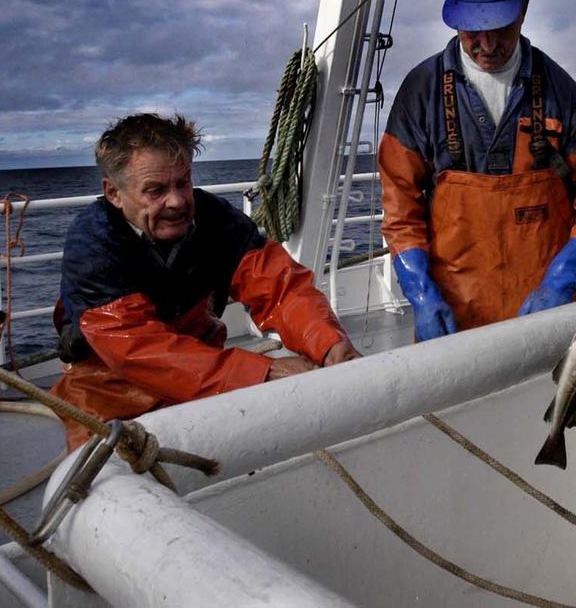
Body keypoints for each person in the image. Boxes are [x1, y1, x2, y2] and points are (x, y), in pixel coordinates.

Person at [51, 113, 358, 450]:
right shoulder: (92, 244)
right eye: (156, 190)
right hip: (108, 388)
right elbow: (135, 348)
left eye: (183, 182)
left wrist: (328, 342)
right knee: (105, 480)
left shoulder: (216, 219)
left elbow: (279, 287)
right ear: (114, 193)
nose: (177, 200)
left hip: (201, 365)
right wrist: (264, 373)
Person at [378, 0, 576, 340]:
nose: (486, 43)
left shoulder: (560, 90)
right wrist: (421, 294)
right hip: (454, 315)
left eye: (499, 26)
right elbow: (401, 208)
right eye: (471, 28)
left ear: (523, 10)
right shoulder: (420, 91)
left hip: (548, 315)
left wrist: (564, 280)